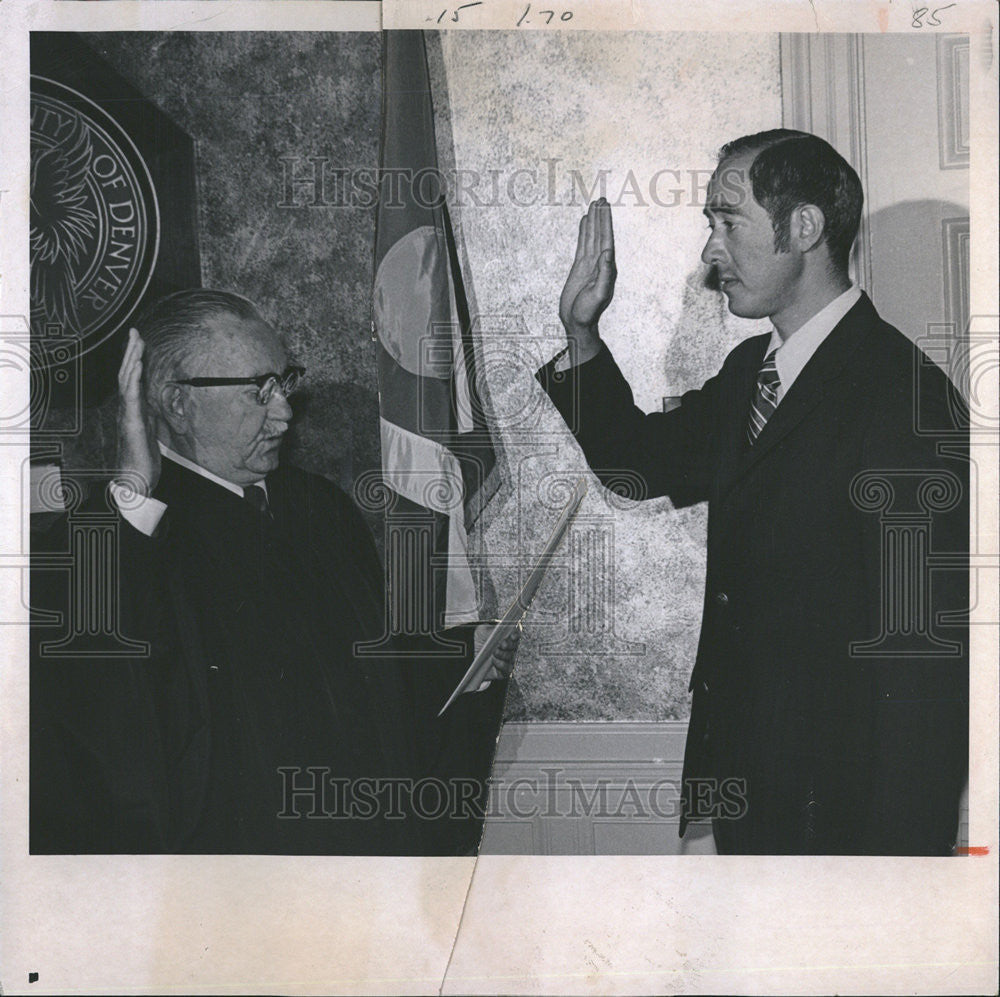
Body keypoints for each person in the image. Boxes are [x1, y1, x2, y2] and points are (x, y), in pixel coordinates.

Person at [538, 129, 968, 854]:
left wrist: (898, 879)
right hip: (752, 796)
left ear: (803, 228)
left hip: (845, 823)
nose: (710, 251)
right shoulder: (750, 373)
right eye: (712, 225)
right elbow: (636, 464)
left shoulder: (904, 400)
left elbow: (921, 673)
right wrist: (581, 333)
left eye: (727, 223)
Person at [30, 289, 513, 855]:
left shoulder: (318, 506)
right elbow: (98, 707)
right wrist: (134, 493)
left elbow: (367, 667)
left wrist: (462, 652)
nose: (284, 411)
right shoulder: (135, 532)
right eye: (259, 391)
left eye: (284, 382)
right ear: (176, 403)